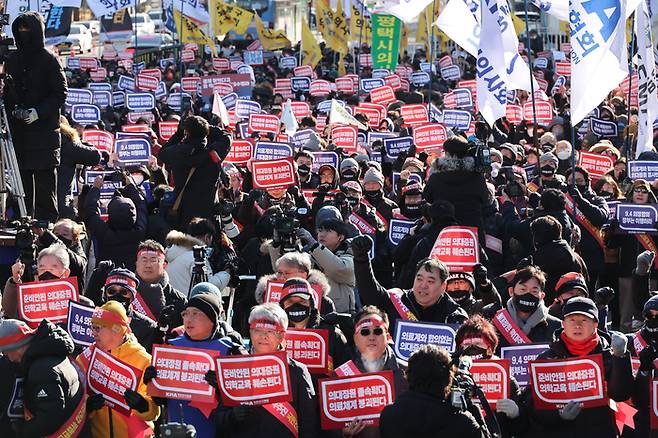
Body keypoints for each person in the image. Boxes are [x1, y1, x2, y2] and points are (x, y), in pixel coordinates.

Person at [525, 297, 633, 438]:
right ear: (563, 323)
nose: (577, 325)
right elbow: (533, 405)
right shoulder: (547, 359)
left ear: (595, 324)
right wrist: (558, 416)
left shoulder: (609, 354)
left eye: (584, 320)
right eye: (572, 320)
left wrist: (620, 357)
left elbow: (621, 394)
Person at [144, 293, 243, 438]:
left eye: (196, 314)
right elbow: (162, 401)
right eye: (186, 314)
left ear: (212, 319)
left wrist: (222, 389)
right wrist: (153, 382)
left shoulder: (231, 350)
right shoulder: (171, 346)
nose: (189, 319)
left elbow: (241, 404)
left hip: (214, 430)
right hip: (176, 429)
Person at [214, 303, 320, 437]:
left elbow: (309, 424)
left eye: (270, 331)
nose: (263, 336)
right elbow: (219, 420)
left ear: (282, 336)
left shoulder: (296, 371)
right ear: (250, 332)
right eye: (257, 330)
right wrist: (232, 416)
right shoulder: (237, 367)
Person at [4, 12, 68, 221]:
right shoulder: (13, 59)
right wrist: (13, 107)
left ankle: (46, 225)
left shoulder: (49, 59)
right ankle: (22, 221)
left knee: (44, 188)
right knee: (21, 186)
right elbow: (10, 92)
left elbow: (60, 93)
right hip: (19, 135)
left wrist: (38, 112)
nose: (23, 34)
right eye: (20, 30)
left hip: (44, 136)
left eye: (27, 30)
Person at [77, 301, 160, 437]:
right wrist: (87, 405)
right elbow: (75, 402)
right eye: (92, 327)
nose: (93, 333)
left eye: (98, 328)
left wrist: (142, 406)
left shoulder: (144, 360)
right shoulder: (86, 358)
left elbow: (154, 413)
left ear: (117, 329)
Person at [353, 235, 467, 330]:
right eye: (419, 279)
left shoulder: (455, 316)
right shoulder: (397, 300)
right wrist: (361, 259)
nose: (423, 285)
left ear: (443, 286)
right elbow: (370, 293)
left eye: (430, 281)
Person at [0, 318, 87, 437]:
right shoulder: (49, 353)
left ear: (16, 347)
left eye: (6, 353)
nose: (9, 359)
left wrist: (21, 430)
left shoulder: (42, 370)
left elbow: (49, 418)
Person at [379, 344, 486, 438]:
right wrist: (474, 411)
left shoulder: (389, 416)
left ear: (408, 376)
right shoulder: (462, 423)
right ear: (448, 379)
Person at [340, 306, 408, 438]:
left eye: (377, 331)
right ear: (355, 338)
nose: (371, 337)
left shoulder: (408, 372)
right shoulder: (341, 376)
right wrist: (343, 434)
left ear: (387, 335)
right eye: (365, 332)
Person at [158, 115, 231, 227]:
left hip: (184, 215)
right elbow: (226, 136)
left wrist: (179, 133)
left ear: (186, 132)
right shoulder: (214, 152)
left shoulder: (175, 153)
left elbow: (161, 154)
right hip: (209, 215)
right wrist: (204, 127)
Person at [424, 135, 490, 242]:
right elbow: (485, 201)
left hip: (443, 234)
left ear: (448, 154)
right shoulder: (477, 178)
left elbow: (427, 197)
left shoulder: (436, 178)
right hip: (473, 235)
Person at [278, 278, 350, 375]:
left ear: (311, 304)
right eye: (290, 302)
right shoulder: (275, 334)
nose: (296, 306)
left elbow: (346, 372)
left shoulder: (332, 334)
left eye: (302, 301)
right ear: (282, 306)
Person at [484, 265, 562, 348]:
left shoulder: (556, 327)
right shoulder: (495, 324)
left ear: (542, 296)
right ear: (511, 292)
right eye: (523, 289)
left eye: (534, 291)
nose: (528, 294)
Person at [84, 173, 148, 272]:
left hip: (106, 277)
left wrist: (96, 188)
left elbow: (90, 211)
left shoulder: (104, 233)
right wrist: (131, 186)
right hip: (131, 277)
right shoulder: (139, 232)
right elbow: (141, 205)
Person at [296, 218, 356, 314]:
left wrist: (314, 245)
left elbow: (339, 269)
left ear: (340, 237)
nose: (322, 234)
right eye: (320, 230)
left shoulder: (350, 254)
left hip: (340, 314)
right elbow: (286, 270)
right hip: (310, 310)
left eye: (328, 231)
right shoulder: (310, 252)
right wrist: (277, 244)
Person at [4, 243, 74, 319]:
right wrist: (15, 280)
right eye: (42, 269)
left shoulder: (78, 304)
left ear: (66, 273)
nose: (46, 273)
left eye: (52, 269)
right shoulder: (30, 302)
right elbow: (10, 312)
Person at [100, 268, 157, 352]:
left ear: (132, 296)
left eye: (123, 292)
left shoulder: (146, 326)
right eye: (112, 291)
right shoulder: (94, 318)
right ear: (105, 294)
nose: (117, 296)